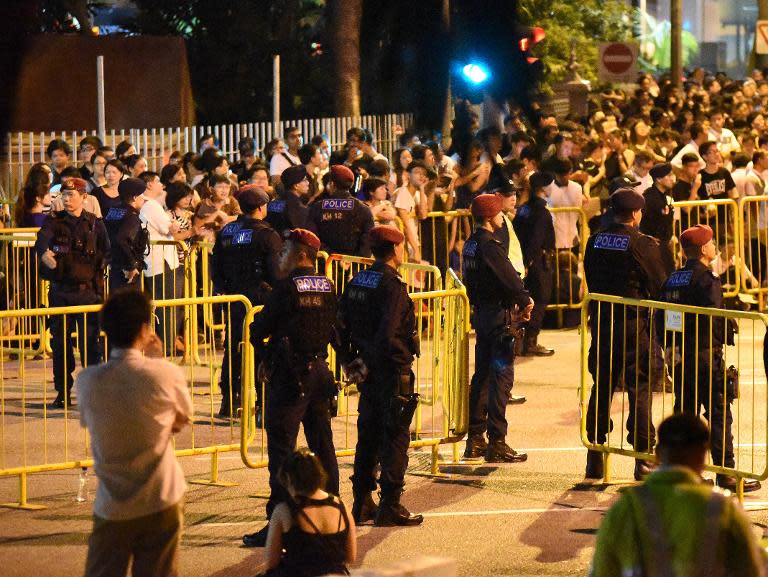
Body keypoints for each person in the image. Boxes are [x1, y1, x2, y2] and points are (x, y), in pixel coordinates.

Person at [77, 288, 192, 577]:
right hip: (161, 496)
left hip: (113, 504)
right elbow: (180, 420)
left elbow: (92, 422)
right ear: (144, 330)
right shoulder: (165, 374)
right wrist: (157, 360)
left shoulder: (88, 382)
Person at [242, 229, 340, 547]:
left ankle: (280, 524)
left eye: (284, 252)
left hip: (290, 377)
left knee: (282, 453)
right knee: (323, 447)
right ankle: (333, 516)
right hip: (321, 373)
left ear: (300, 255)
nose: (279, 258)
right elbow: (336, 329)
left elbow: (260, 329)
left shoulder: (286, 288)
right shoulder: (328, 284)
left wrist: (266, 355)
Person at [589, 414, 766, 577]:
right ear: (704, 454)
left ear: (657, 454)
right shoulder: (723, 509)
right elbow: (751, 570)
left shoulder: (625, 509)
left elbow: (602, 571)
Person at [658, 224, 760, 492]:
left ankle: (684, 474)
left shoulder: (673, 278)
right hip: (704, 355)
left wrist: (671, 351)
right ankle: (725, 473)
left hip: (679, 355)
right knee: (718, 413)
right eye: (713, 243)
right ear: (704, 249)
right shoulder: (707, 279)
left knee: (686, 416)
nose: (715, 247)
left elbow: (662, 318)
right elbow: (715, 317)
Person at [336, 225, 423, 527]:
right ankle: (390, 504)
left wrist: (352, 362)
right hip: (391, 369)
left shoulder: (357, 280)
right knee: (396, 436)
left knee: (368, 435)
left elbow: (340, 326)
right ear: (397, 249)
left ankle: (361, 502)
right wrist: (369, 362)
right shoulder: (392, 285)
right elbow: (387, 334)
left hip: (367, 370)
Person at [584, 188, 668, 481]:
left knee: (602, 386)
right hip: (634, 325)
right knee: (640, 388)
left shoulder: (594, 241)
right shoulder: (641, 243)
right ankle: (643, 458)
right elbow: (659, 282)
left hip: (604, 322)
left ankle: (594, 454)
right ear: (635, 214)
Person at [462, 194, 533, 463]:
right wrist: (525, 300)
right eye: (500, 213)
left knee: (482, 377)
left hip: (482, 314)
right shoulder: (489, 245)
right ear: (491, 216)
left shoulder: (470, 243)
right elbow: (508, 277)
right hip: (498, 318)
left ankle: (476, 439)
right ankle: (497, 441)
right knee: (501, 380)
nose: (503, 217)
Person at [35, 177, 110, 409]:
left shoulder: (94, 223)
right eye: (64, 195)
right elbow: (41, 240)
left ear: (83, 197)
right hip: (61, 293)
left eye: (71, 195)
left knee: (91, 347)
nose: (67, 200)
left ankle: (91, 394)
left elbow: (107, 251)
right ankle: (62, 392)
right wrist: (44, 254)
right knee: (60, 346)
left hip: (87, 294)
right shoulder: (54, 221)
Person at [211, 187, 281, 418]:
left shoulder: (227, 231)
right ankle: (262, 403)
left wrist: (223, 289)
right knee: (261, 349)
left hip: (234, 297)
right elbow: (275, 273)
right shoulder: (267, 235)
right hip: (260, 298)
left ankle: (229, 400)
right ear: (261, 207)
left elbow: (216, 267)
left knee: (233, 348)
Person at [260, 449, 355, 577]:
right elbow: (351, 556)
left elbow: (271, 563)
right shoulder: (341, 506)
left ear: (289, 479)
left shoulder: (284, 510)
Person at [140, 171, 183, 355]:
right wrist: (173, 225)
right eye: (158, 182)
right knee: (167, 309)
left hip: (159, 262)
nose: (162, 185)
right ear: (149, 184)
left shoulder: (150, 204)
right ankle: (164, 350)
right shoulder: (150, 205)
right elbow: (170, 227)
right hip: (161, 262)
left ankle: (164, 348)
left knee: (166, 307)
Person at [513, 172, 556, 357]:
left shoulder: (524, 209)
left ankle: (520, 341)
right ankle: (530, 341)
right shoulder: (542, 213)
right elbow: (536, 240)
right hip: (537, 262)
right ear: (543, 188)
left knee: (525, 300)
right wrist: (528, 261)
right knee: (539, 300)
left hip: (522, 260)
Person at [306, 165, 374, 257]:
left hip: (325, 265)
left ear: (332, 184)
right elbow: (367, 244)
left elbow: (312, 238)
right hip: (356, 267)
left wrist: (334, 257)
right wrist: (351, 261)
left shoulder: (317, 208)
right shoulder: (364, 209)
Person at [106, 177, 149, 292]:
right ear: (135, 197)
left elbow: (109, 236)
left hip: (113, 266)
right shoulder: (131, 216)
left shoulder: (114, 211)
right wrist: (131, 265)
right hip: (126, 272)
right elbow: (122, 239)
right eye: (142, 195)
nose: (144, 199)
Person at [640, 162, 676, 274]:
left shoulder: (663, 196)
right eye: (668, 176)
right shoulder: (650, 198)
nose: (672, 179)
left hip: (663, 245)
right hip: (653, 247)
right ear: (659, 179)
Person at [265, 165, 310, 237]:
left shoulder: (272, 204)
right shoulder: (299, 208)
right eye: (305, 180)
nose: (308, 183)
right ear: (296, 186)